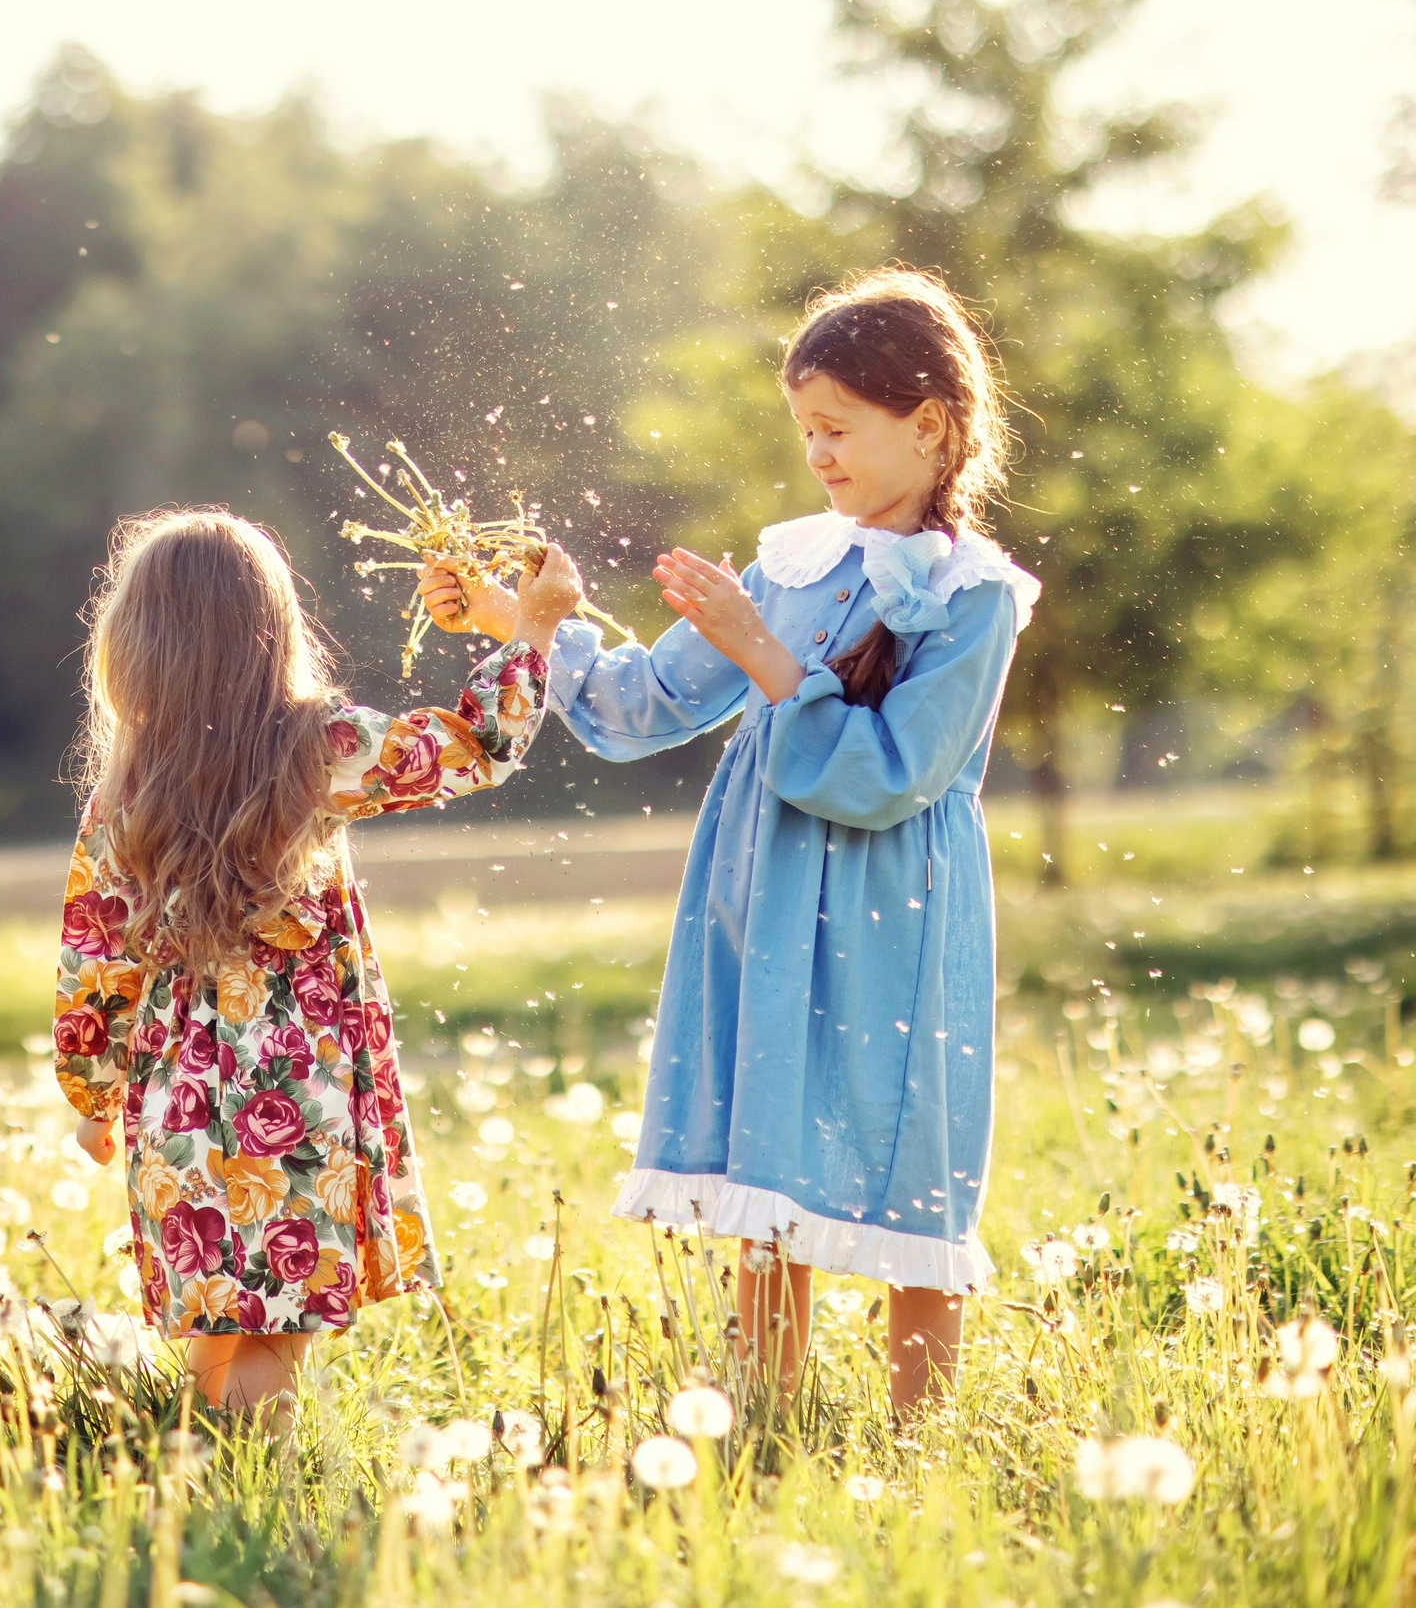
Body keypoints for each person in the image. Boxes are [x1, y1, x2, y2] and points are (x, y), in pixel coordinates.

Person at [422, 268, 1039, 1413]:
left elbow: (895, 776)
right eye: (804, 430)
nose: (818, 454)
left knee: (907, 1139)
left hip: (891, 911)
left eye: (839, 429)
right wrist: (526, 623)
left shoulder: (975, 598)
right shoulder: (792, 564)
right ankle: (766, 1410)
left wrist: (764, 655)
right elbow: (637, 706)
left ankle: (920, 1433)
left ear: (930, 425)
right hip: (762, 903)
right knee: (772, 1152)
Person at [50, 508, 580, 1419]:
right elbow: (476, 746)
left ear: (132, 642)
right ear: (272, 630)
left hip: (177, 1094)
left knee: (221, 1316)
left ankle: (205, 1483)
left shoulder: (122, 789)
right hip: (294, 1091)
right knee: (273, 1326)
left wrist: (96, 1097)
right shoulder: (321, 747)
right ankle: (250, 1505)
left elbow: (93, 962)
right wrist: (533, 627)